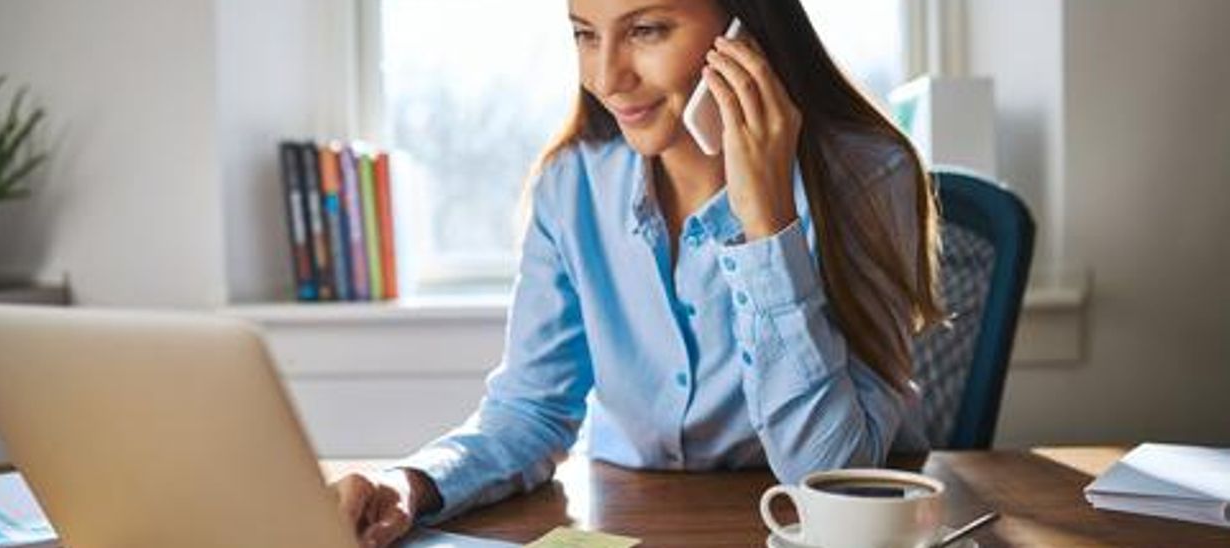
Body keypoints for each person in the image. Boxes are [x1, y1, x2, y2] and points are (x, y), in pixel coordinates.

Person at [331, 0, 945, 545]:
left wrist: (767, 223)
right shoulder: (572, 185)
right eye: (584, 34)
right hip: (628, 524)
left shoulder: (867, 176)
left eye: (646, 30)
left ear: (746, 29)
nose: (605, 78)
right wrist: (410, 484)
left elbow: (828, 476)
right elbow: (530, 414)